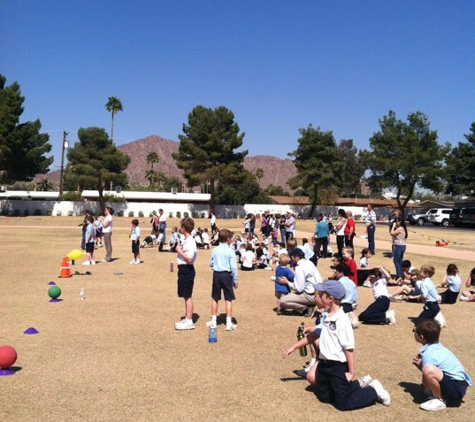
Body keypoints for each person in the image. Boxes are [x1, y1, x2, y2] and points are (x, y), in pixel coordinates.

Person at [313, 280, 391, 410]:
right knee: (325, 398)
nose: (319, 297)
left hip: (337, 366)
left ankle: (373, 390)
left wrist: (351, 371)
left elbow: (348, 348)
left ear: (330, 298)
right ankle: (359, 383)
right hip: (323, 364)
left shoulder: (342, 320)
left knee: (342, 404)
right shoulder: (326, 315)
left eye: (321, 295)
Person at [412, 319, 472, 411]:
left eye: (415, 331)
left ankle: (439, 400)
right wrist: (421, 365)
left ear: (421, 337)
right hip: (459, 385)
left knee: (427, 369)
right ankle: (437, 394)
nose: (414, 333)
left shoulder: (429, 354)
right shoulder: (437, 347)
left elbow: (429, 372)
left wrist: (421, 367)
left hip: (456, 389)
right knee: (426, 374)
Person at [205, 229, 238, 331]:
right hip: (227, 275)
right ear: (228, 239)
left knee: (215, 297)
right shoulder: (230, 251)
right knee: (228, 298)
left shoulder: (214, 250)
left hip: (217, 274)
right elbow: (234, 267)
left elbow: (211, 263)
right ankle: (228, 323)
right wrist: (235, 279)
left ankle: (214, 321)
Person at [277, 248, 323, 317]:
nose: (291, 260)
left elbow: (299, 288)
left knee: (283, 301)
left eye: (292, 258)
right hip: (319, 293)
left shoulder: (300, 268)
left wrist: (287, 282)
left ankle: (306, 308)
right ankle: (309, 306)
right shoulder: (309, 263)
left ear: (296, 258)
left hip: (310, 295)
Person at [174, 217, 197, 331]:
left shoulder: (190, 241)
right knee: (185, 295)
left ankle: (189, 321)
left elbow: (189, 259)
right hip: (183, 269)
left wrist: (179, 251)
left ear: (183, 228)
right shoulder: (186, 240)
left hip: (187, 269)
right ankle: (187, 318)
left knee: (187, 296)